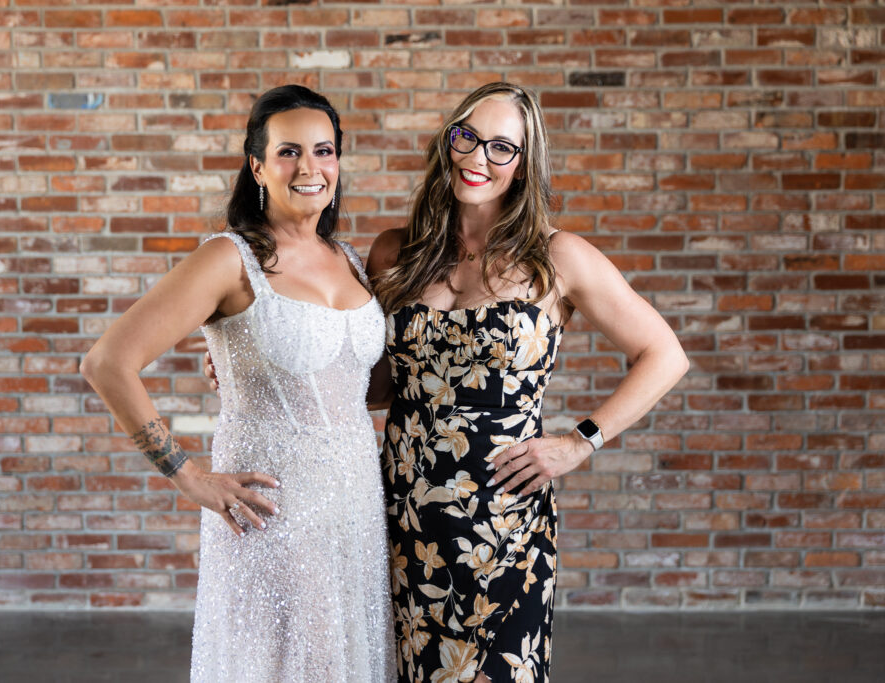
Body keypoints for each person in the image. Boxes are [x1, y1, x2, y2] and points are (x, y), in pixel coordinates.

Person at [365, 82, 690, 683]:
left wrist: (579, 441)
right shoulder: (395, 254)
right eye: (466, 137)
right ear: (447, 142)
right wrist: (264, 369)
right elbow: (380, 388)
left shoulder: (557, 257)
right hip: (408, 514)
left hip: (504, 518)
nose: (477, 158)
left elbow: (664, 354)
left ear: (524, 164)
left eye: (501, 148)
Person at [81, 85, 394, 683]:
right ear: (257, 166)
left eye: (325, 151)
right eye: (289, 152)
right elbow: (108, 362)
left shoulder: (352, 261)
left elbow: (356, 388)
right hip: (275, 507)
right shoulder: (230, 259)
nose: (310, 168)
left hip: (355, 505)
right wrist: (188, 476)